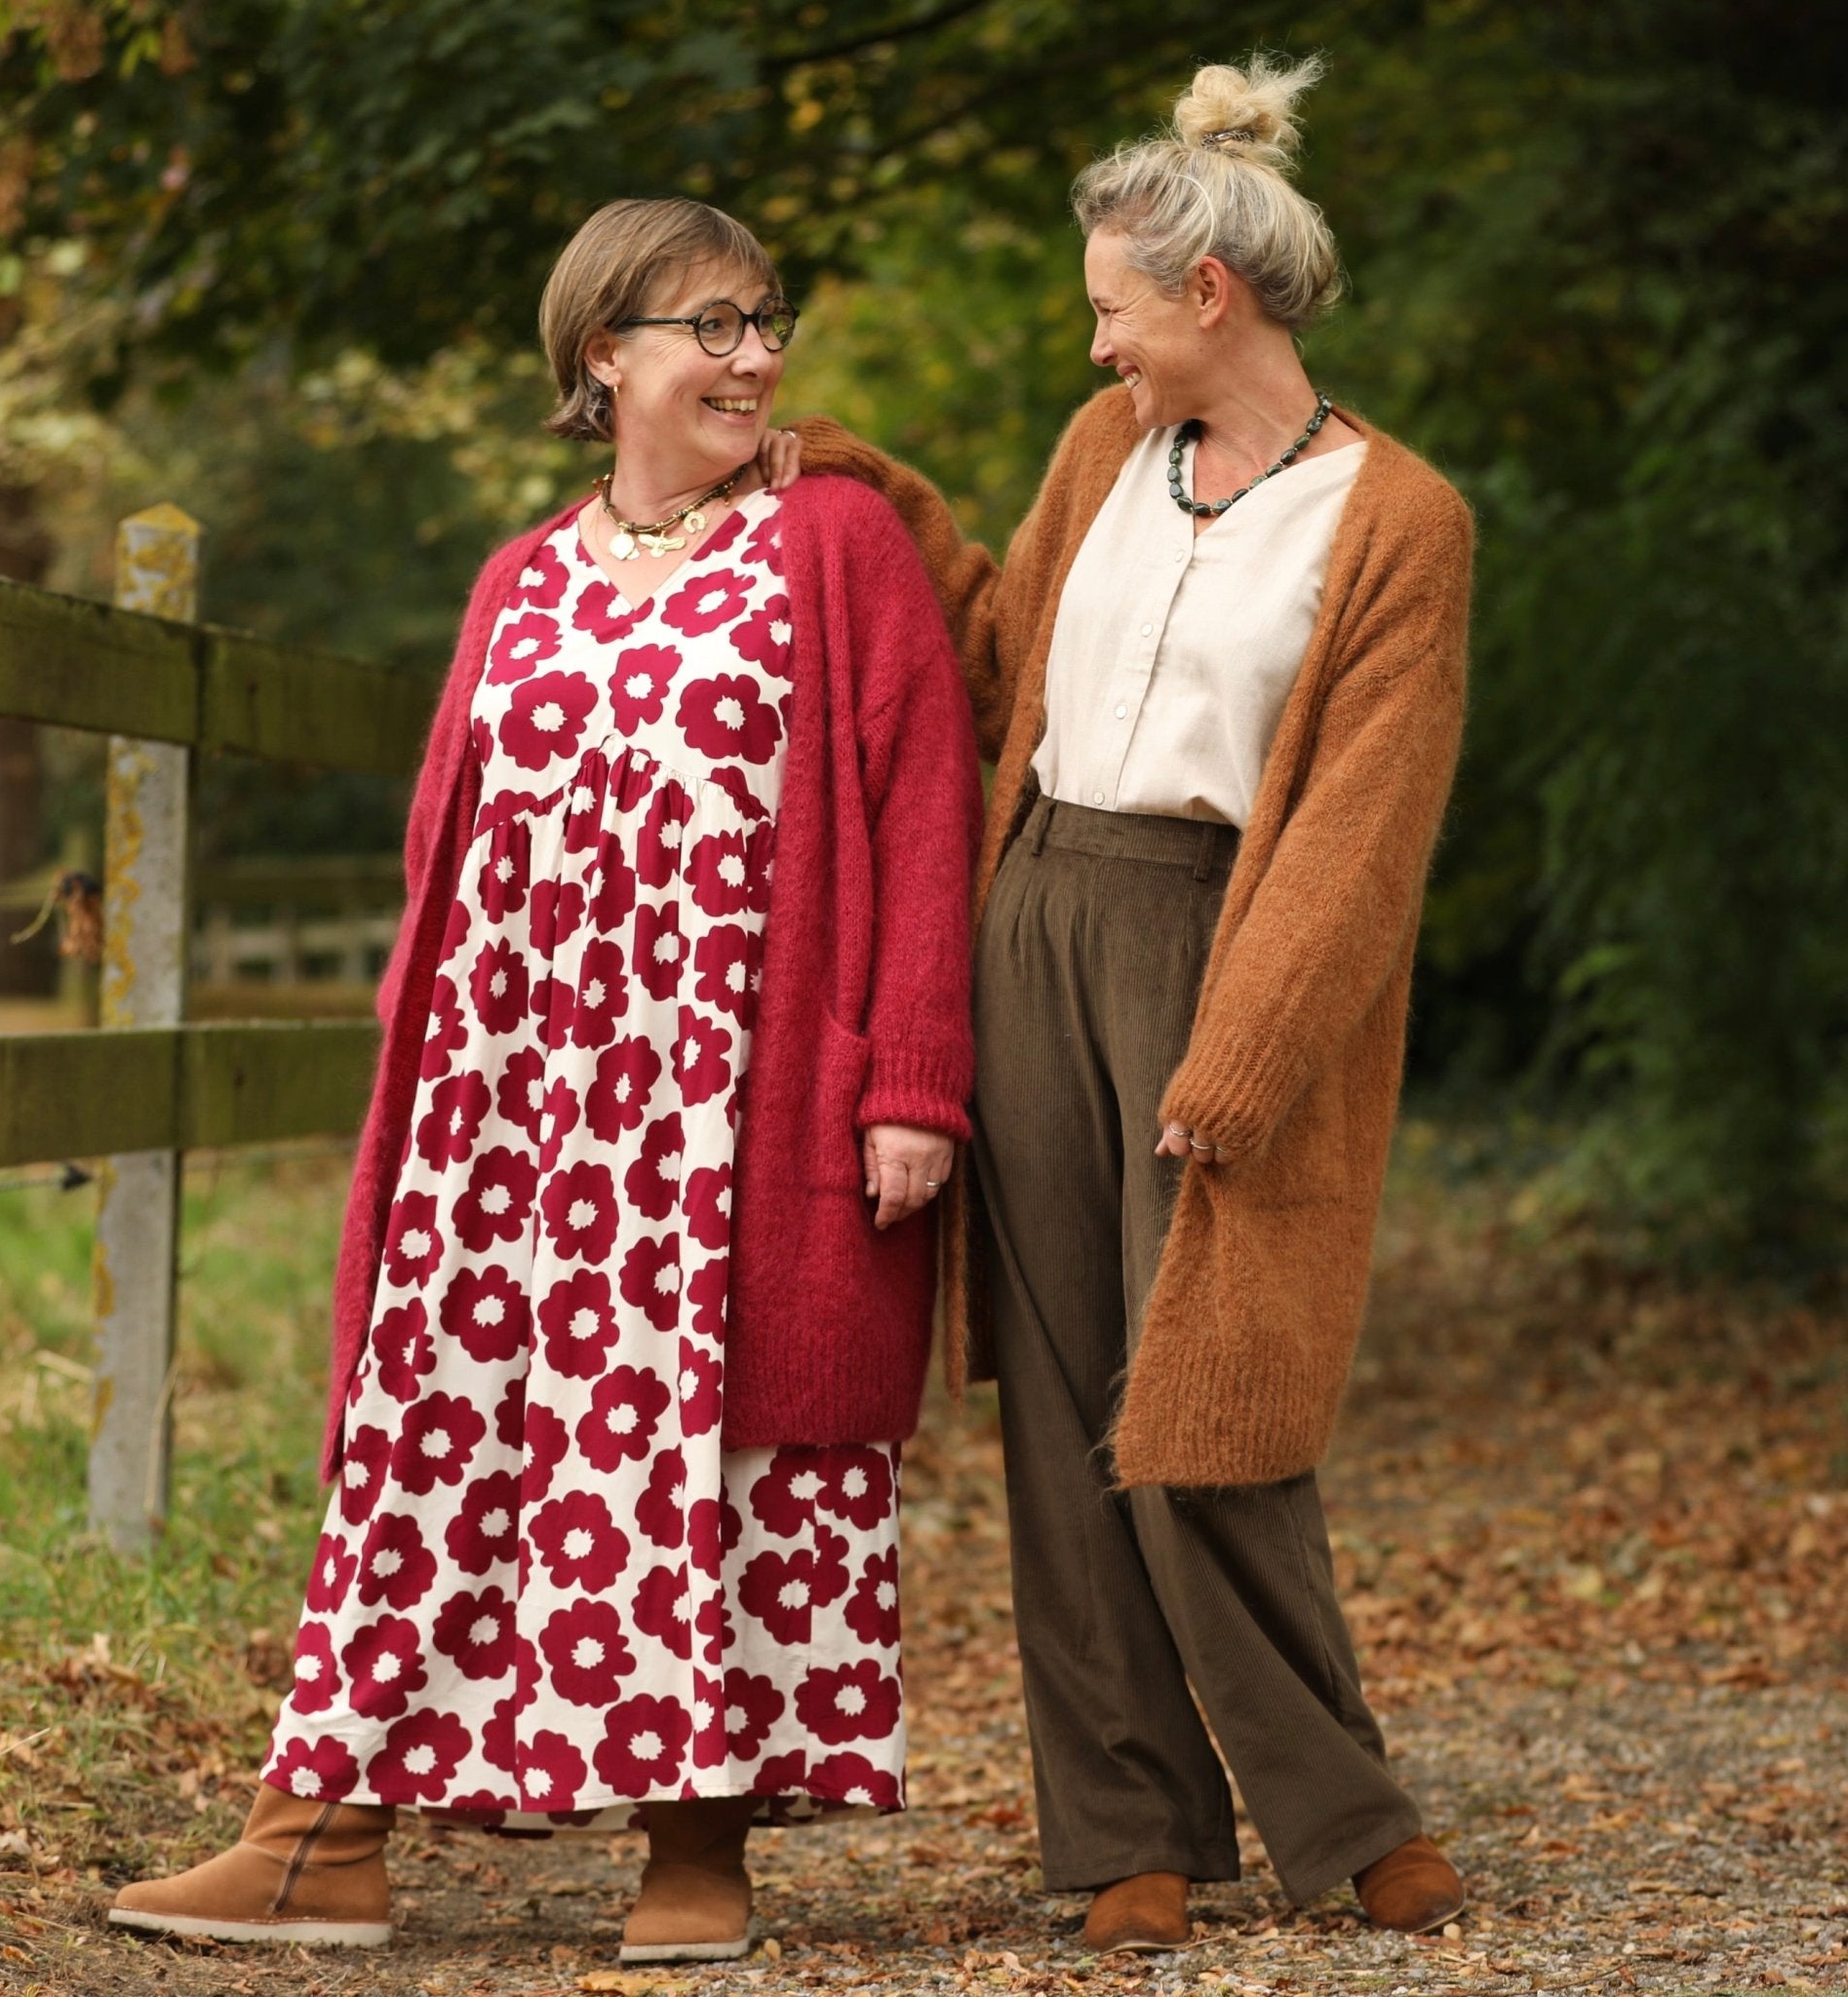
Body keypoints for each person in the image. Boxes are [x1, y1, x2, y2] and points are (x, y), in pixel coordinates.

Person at [109, 197, 980, 1963]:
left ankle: (699, 1851)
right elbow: (444, 858)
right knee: (432, 1431)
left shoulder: (836, 543)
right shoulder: (519, 578)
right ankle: (319, 1838)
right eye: (711, 325)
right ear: (605, 354)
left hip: (726, 1103)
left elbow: (924, 811)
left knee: (722, 1454)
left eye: (767, 321)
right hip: (502, 1110)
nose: (754, 355)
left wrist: (912, 1080)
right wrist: (419, 1091)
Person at [776, 54, 1473, 1951]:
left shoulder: (1397, 520)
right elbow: (1000, 652)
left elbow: (1361, 832)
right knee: (1067, 1390)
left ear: (1207, 294)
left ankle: (1348, 1814)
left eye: (1111, 310)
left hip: (1211, 947)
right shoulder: (1107, 455)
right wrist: (872, 494)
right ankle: (1126, 1836)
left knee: (1206, 1401)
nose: (1095, 346)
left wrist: (1239, 1057)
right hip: (1037, 916)